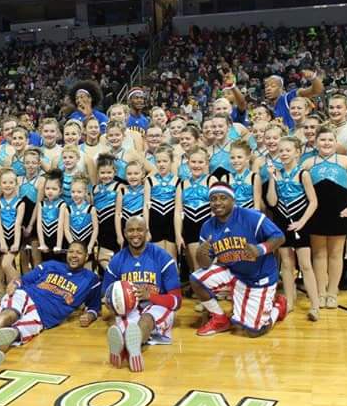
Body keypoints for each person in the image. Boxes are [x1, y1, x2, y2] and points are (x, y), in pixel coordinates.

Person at [0, 242, 101, 371]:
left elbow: (95, 307)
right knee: (10, 314)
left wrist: (90, 315)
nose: (74, 255)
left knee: (12, 334)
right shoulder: (51, 265)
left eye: (79, 253)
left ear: (86, 256)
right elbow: (24, 279)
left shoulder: (91, 280)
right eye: (71, 251)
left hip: (43, 318)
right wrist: (15, 283)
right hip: (27, 296)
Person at [190, 183, 287, 337]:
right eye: (213, 199)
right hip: (233, 273)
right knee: (196, 279)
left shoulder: (252, 217)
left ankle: (277, 307)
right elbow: (205, 264)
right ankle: (220, 319)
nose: (217, 202)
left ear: (233, 200)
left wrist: (260, 249)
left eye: (223, 198)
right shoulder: (207, 227)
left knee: (254, 331)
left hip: (259, 278)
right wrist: (201, 254)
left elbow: (279, 237)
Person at [301, 125, 347, 309]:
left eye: (330, 140)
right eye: (322, 140)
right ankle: (321, 291)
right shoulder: (308, 163)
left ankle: (332, 292)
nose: (326, 143)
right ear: (316, 143)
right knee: (318, 254)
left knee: (335, 254)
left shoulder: (345, 161)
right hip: (316, 214)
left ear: (335, 142)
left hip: (339, 214)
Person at [103, 217, 181, 372]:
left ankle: (128, 347)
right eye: (131, 230)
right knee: (127, 325)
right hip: (131, 308)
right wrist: (113, 302)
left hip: (158, 305)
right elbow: (105, 296)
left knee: (146, 320)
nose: (135, 234)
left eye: (139, 229)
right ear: (125, 233)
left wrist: (150, 296)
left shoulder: (162, 257)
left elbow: (177, 301)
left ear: (147, 232)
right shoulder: (117, 260)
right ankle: (131, 349)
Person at [266, 137, 319, 321]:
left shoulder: (303, 173)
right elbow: (272, 202)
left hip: (300, 223)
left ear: (297, 152)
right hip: (282, 222)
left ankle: (315, 305)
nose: (284, 154)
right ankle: (289, 302)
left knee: (305, 265)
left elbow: (313, 202)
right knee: (287, 265)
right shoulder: (277, 173)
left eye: (288, 150)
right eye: (281, 151)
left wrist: (302, 222)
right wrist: (273, 178)